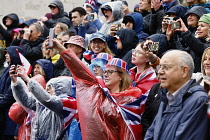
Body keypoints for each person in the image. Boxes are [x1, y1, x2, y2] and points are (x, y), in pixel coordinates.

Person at [52, 38, 145, 139]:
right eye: (105, 72)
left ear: (121, 76)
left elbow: (130, 133)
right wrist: (61, 49)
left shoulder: (130, 98)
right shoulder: (98, 91)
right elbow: (80, 70)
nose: (106, 75)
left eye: (110, 72)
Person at [144, 50, 208, 140]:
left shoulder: (198, 101)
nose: (160, 72)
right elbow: (151, 133)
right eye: (160, 67)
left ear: (184, 71)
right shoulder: (165, 97)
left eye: (166, 67)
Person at [9, 65, 77, 140]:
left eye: (50, 87)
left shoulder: (69, 102)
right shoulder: (46, 104)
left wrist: (27, 79)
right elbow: (27, 101)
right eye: (46, 87)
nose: (47, 90)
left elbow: (47, 100)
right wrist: (15, 81)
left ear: (61, 89)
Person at [0, 46, 24, 139]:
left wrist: (1, 102)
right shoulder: (8, 68)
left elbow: (12, 94)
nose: (6, 55)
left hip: (11, 114)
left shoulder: (18, 71)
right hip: (4, 111)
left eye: (8, 53)